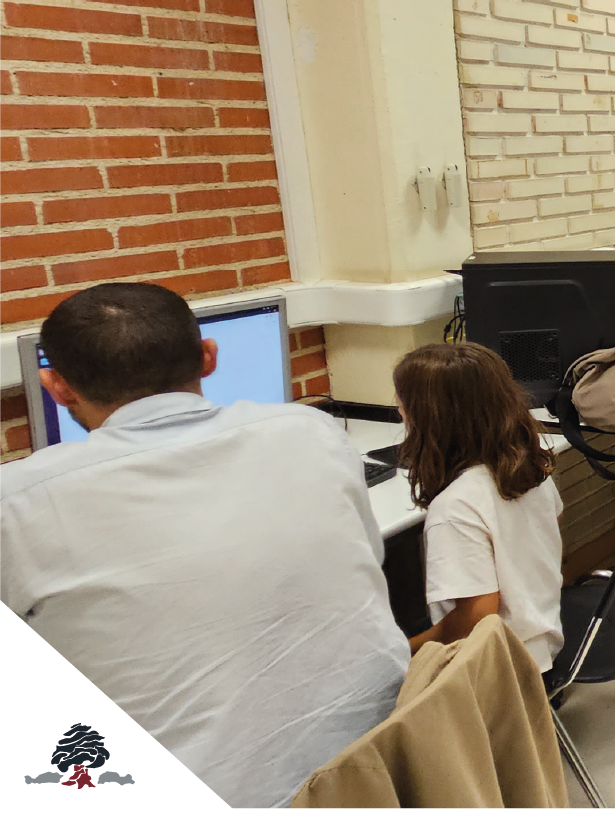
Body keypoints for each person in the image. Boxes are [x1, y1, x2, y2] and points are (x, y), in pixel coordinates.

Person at [0, 283, 407, 808]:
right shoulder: (311, 430)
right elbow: (367, 559)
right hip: (384, 764)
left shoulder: (17, 503)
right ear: (208, 357)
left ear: (56, 386)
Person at [393, 343, 565, 671]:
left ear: (427, 418)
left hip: (501, 672)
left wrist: (403, 653)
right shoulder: (531, 468)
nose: (399, 411)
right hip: (541, 643)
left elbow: (477, 617)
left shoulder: (454, 508)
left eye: (403, 405)